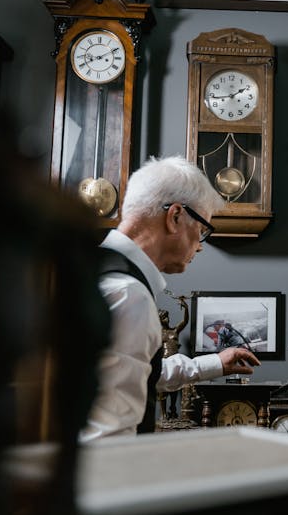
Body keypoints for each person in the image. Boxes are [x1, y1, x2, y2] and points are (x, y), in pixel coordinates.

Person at [81, 155, 260, 441]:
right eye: (201, 231)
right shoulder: (129, 295)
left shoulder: (98, 270)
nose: (200, 248)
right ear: (175, 217)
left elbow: (137, 372)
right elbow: (106, 437)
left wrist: (214, 363)